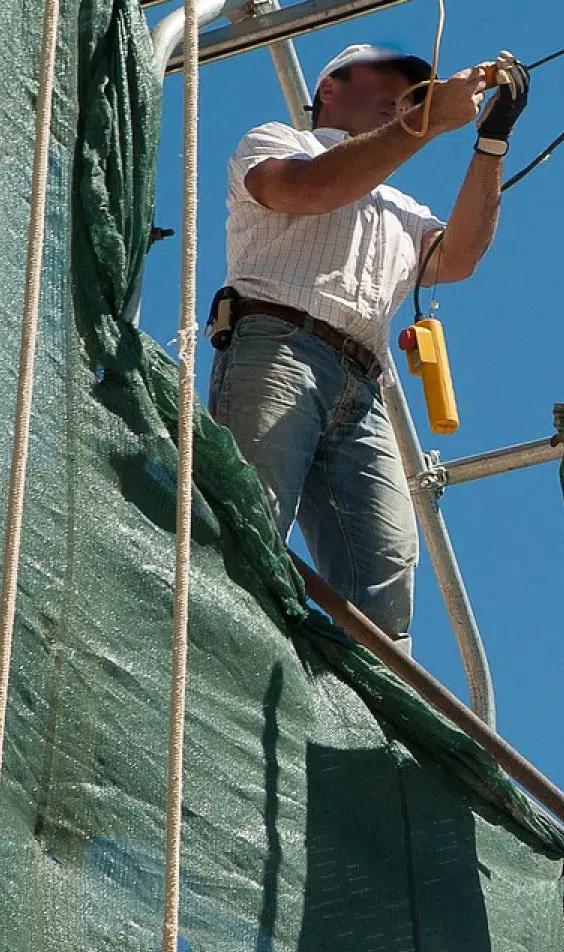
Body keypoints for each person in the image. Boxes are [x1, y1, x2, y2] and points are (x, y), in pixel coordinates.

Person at [206, 44, 528, 646]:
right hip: (278, 349)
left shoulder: (399, 207)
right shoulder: (277, 141)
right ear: (330, 87)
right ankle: (226, 662)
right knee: (251, 524)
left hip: (362, 385)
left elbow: (459, 257)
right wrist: (427, 120)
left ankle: (367, 724)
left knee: (385, 578)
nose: (400, 99)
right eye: (386, 81)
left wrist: (492, 142)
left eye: (411, 92)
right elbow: (309, 189)